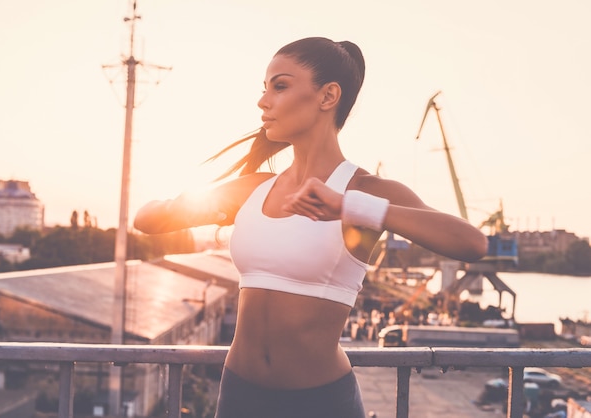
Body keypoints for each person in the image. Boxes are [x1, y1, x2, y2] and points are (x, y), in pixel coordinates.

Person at [133, 37, 488, 418]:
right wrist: (194, 203)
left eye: (280, 86)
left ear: (328, 96)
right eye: (265, 88)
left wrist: (350, 207)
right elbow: (146, 220)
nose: (263, 101)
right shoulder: (253, 189)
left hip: (320, 403)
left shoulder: (363, 191)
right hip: (238, 396)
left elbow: (471, 243)